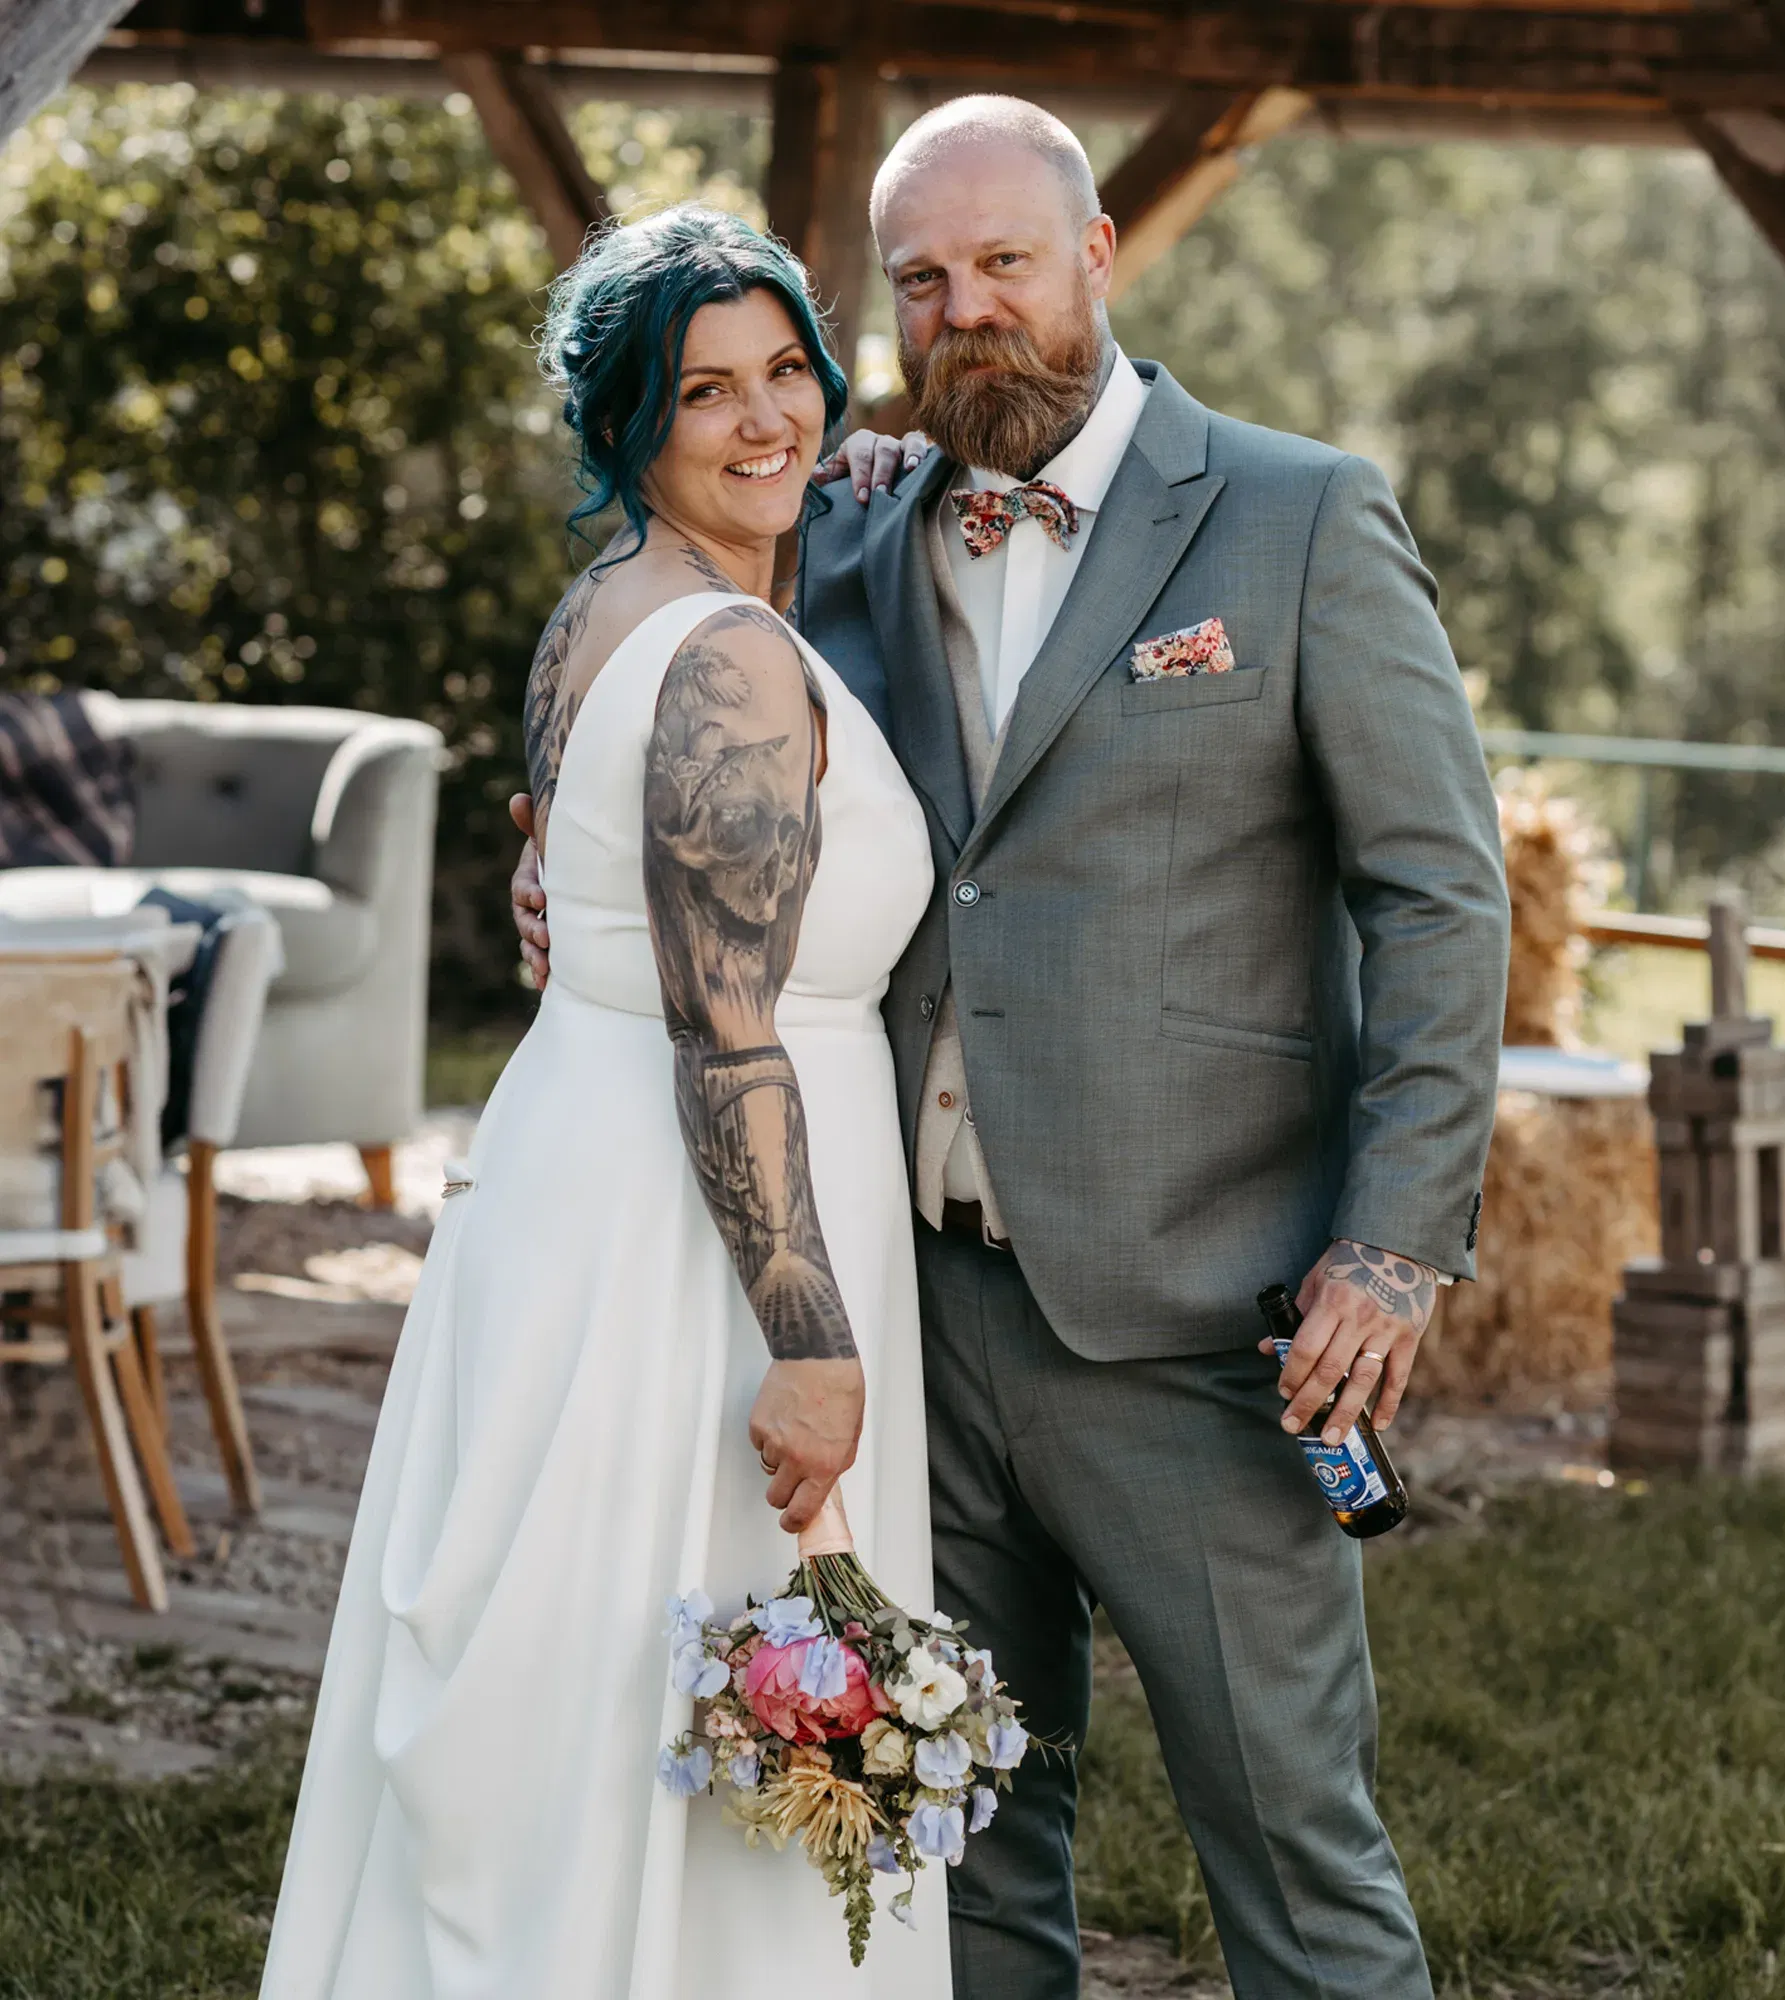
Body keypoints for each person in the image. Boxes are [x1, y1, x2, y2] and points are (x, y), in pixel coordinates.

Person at [515, 97, 1510, 2000]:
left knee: (1291, 1846)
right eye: (923, 282)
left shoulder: (1299, 517)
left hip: (1206, 1319)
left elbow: (1443, 901)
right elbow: (693, 728)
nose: (970, 311)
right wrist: (556, 874)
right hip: (915, 1314)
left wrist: (1395, 1247)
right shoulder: (858, 523)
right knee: (954, 1845)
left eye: (1007, 265)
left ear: (1101, 255)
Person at [262, 206, 950, 1996]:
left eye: (787, 370)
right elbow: (728, 1034)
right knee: (701, 1707)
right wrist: (810, 1340)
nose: (761, 421)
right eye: (701, 390)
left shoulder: (603, 613)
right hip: (696, 1256)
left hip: (578, 1186)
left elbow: (586, 893)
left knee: (593, 1715)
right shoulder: (730, 657)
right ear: (626, 424)